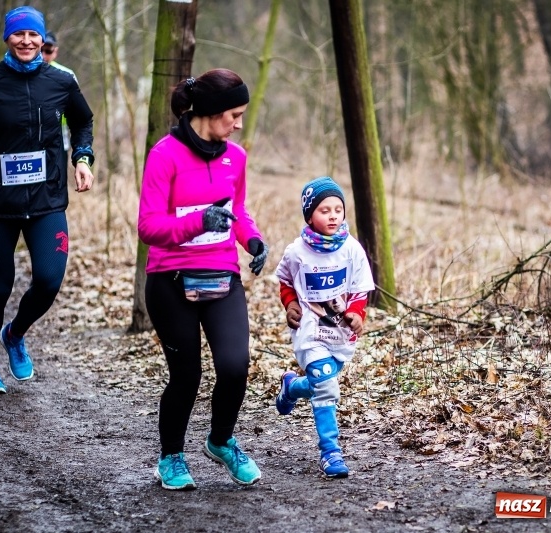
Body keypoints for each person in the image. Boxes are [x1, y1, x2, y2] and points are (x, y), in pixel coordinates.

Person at [0, 6, 95, 394]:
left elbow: (83, 121)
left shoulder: (61, 82)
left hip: (47, 200)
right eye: (18, 35)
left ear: (42, 39)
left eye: (33, 35)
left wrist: (82, 157)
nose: (26, 41)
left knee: (48, 279)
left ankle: (15, 333)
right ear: (7, 39)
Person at [138, 69, 269, 490]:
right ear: (210, 112)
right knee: (187, 374)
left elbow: (239, 211)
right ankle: (171, 457)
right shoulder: (165, 154)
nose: (238, 123)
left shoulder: (237, 157)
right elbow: (148, 226)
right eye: (234, 114)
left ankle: (221, 441)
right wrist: (198, 222)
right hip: (170, 280)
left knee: (234, 366)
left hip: (221, 275)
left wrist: (252, 240)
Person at [274, 176, 375, 478]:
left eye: (338, 210)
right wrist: (290, 304)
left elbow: (360, 290)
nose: (333, 216)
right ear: (309, 215)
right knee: (327, 386)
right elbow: (284, 280)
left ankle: (292, 387)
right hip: (310, 332)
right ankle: (331, 453)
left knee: (321, 381)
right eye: (324, 210)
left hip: (341, 334)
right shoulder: (296, 252)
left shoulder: (352, 250)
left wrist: (357, 313)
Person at [41, 31, 76, 154]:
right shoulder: (23, 74)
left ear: (55, 52)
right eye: (40, 50)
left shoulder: (66, 75)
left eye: (48, 51)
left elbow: (77, 112)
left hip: (59, 138)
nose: (43, 55)